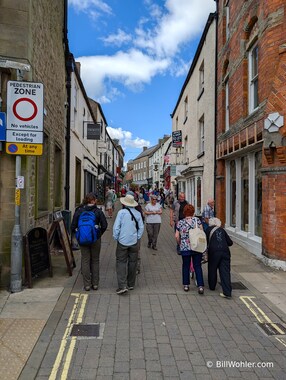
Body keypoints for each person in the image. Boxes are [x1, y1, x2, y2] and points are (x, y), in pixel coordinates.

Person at [71, 192, 107, 291]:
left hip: (82, 239)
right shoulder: (97, 211)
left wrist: (79, 235)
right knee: (95, 260)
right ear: (93, 200)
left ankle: (87, 285)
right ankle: (95, 284)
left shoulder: (79, 210)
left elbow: (73, 226)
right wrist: (98, 234)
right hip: (95, 239)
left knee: (85, 260)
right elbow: (104, 225)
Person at [113, 194, 144, 295]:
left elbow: (116, 227)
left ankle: (122, 286)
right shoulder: (138, 214)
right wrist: (137, 236)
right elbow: (141, 227)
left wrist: (116, 237)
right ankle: (131, 284)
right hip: (133, 242)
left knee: (121, 262)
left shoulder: (121, 213)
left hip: (122, 241)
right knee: (132, 262)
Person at [175, 204, 205, 294]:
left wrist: (180, 243)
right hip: (196, 246)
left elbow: (176, 236)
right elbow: (201, 232)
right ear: (193, 212)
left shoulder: (180, 223)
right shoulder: (197, 220)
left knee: (186, 266)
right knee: (197, 266)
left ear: (184, 212)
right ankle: (200, 286)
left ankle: (186, 285)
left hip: (185, 247)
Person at [206, 217, 233, 299]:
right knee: (225, 271)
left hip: (213, 252)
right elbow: (230, 242)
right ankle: (227, 292)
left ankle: (212, 286)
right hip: (225, 252)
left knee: (212, 269)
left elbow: (205, 241)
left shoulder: (207, 230)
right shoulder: (222, 230)